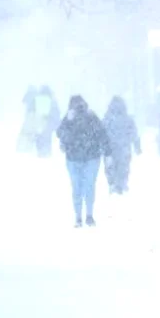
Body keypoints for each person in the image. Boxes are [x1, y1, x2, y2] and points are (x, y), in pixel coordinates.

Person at [57, 95, 109, 228]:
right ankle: (89, 216)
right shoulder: (91, 116)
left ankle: (79, 217)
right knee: (89, 186)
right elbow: (102, 134)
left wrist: (68, 122)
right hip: (91, 156)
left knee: (76, 187)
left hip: (73, 158)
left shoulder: (70, 117)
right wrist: (107, 151)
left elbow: (59, 133)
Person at [103, 97, 142, 194]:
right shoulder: (128, 119)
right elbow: (134, 133)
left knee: (110, 167)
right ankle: (122, 183)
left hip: (110, 148)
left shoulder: (107, 119)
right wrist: (137, 146)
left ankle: (112, 183)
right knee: (123, 166)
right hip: (124, 147)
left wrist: (99, 146)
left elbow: (101, 133)